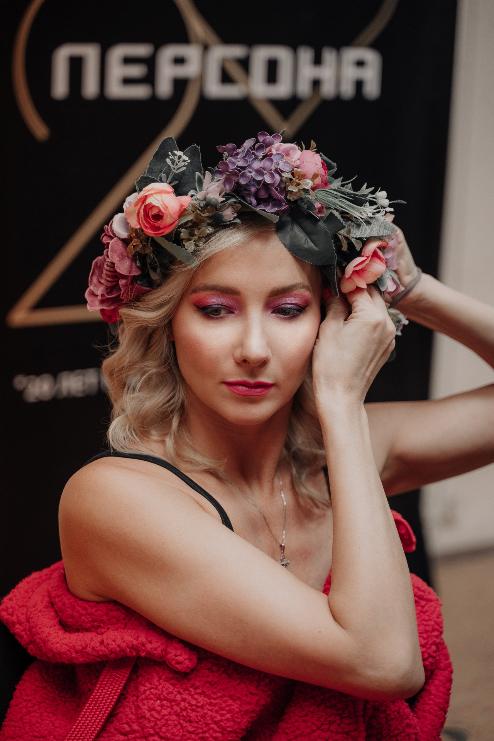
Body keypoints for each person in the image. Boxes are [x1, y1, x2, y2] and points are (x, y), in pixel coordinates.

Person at [1, 132, 492, 740]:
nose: (254, 350)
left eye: (287, 310)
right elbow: (385, 663)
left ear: (328, 319)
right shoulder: (112, 498)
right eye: (215, 309)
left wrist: (413, 290)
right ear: (168, 324)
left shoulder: (338, 455)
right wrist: (342, 401)